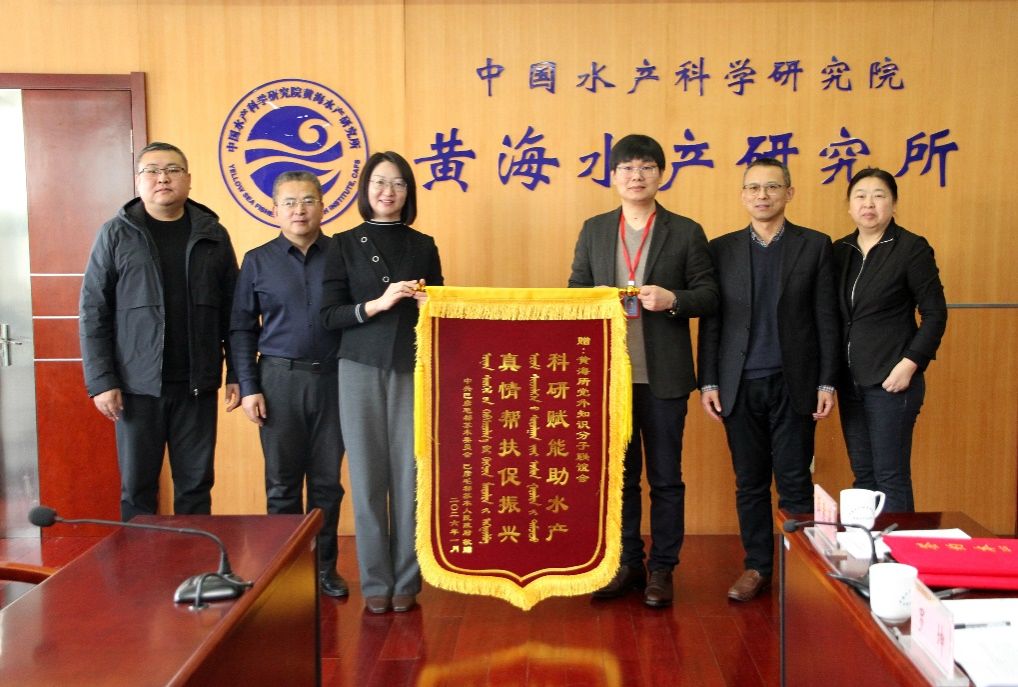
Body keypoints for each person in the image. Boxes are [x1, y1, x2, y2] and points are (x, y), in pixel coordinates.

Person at [568, 134, 718, 608]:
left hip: (664, 376)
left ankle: (663, 569)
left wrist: (673, 300)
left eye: (647, 167)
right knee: (621, 477)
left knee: (666, 478)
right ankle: (628, 563)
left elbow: (709, 295)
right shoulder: (594, 229)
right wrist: (593, 301)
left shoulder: (686, 231)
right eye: (628, 168)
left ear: (660, 175)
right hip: (609, 376)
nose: (637, 176)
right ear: (613, 177)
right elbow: (574, 290)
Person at [697, 157, 840, 602]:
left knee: (795, 481)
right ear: (743, 195)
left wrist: (827, 382)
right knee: (750, 482)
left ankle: (802, 571)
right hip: (738, 384)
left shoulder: (815, 245)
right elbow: (713, 321)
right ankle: (758, 566)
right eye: (754, 188)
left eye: (772, 187)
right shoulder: (721, 249)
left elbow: (827, 319)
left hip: (794, 383)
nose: (762, 195)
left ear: (789, 193)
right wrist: (708, 381)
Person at [79, 141, 239, 521]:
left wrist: (237, 373)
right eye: (151, 170)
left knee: (196, 487)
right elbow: (93, 310)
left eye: (172, 170)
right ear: (138, 181)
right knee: (137, 489)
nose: (162, 178)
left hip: (196, 385)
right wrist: (102, 380)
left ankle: (195, 558)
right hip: (136, 388)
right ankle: (139, 561)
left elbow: (234, 312)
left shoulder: (213, 235)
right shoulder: (115, 234)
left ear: (188, 179)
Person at [321, 151, 444, 614]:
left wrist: (432, 302)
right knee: (367, 475)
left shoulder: (424, 244)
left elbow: (440, 307)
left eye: (397, 183)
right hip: (358, 367)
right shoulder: (342, 244)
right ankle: (375, 582)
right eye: (379, 181)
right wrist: (377, 303)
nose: (387, 191)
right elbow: (329, 315)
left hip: (412, 367)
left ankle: (407, 581)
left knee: (411, 474)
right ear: (365, 189)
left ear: (408, 192)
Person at [229, 171, 347, 597]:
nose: (300, 210)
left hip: (335, 380)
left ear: (323, 206)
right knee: (281, 485)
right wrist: (249, 386)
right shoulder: (257, 261)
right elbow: (241, 328)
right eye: (290, 202)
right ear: (274, 210)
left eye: (308, 200)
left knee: (327, 485)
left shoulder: (343, 255)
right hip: (278, 380)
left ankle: (324, 569)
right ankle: (285, 573)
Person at [834, 168, 947, 512]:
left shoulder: (910, 248)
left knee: (890, 477)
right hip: (849, 382)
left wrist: (910, 364)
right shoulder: (840, 251)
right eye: (860, 196)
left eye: (879, 195)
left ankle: (898, 546)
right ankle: (868, 545)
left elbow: (935, 314)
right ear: (849, 206)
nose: (869, 204)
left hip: (892, 381)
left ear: (894, 203)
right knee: (864, 475)